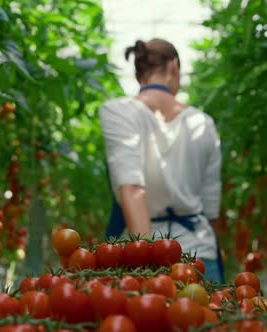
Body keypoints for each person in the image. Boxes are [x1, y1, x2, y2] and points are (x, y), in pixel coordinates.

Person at [99, 39, 224, 282]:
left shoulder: (118, 112)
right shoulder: (204, 124)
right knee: (211, 317)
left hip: (141, 248)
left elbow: (132, 189)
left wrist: (145, 270)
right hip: (198, 253)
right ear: (174, 67)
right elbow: (210, 210)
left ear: (139, 75)